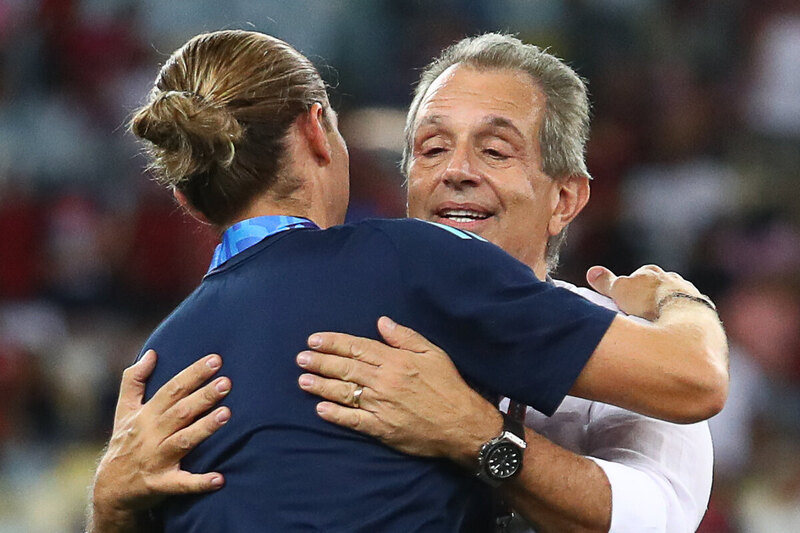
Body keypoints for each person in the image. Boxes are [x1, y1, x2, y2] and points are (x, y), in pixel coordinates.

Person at [87, 31, 726, 532]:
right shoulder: (380, 276)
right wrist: (111, 504)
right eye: (431, 149)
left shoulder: (628, 356)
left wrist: (480, 438)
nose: (457, 171)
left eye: (495, 151)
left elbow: (651, 516)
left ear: (565, 198)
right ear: (320, 133)